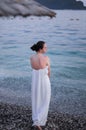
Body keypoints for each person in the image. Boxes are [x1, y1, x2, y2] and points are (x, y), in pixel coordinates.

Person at [30, 41, 51, 130]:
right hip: (44, 81)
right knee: (45, 99)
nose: (46, 49)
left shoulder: (31, 58)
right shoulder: (46, 58)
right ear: (40, 48)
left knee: (36, 100)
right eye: (45, 47)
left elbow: (34, 69)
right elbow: (49, 71)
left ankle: (36, 120)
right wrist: (48, 80)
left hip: (35, 82)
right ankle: (41, 120)